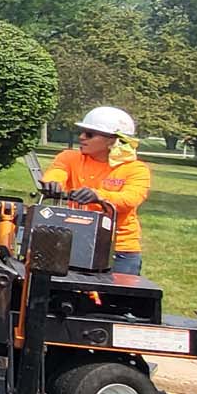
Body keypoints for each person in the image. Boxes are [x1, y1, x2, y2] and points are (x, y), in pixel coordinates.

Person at [42, 106, 151, 275]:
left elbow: (131, 198)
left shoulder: (136, 169)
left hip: (119, 250)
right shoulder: (69, 157)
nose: (82, 137)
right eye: (82, 132)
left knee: (118, 300)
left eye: (90, 134)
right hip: (72, 242)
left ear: (112, 140)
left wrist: (99, 196)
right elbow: (57, 172)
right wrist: (52, 183)